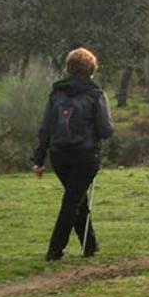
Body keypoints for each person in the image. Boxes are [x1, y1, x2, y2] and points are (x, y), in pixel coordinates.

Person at [32, 47, 115, 261]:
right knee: (72, 200)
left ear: (69, 68)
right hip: (85, 156)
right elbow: (106, 130)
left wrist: (39, 160)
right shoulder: (96, 94)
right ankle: (54, 250)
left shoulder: (56, 93)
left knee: (76, 197)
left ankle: (90, 245)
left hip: (59, 156)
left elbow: (46, 127)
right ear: (91, 69)